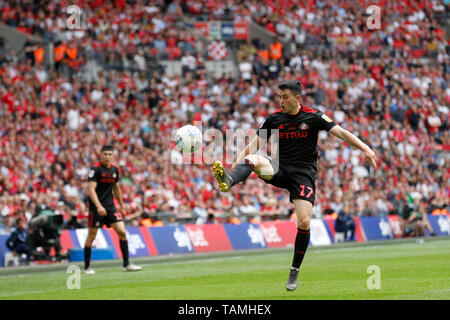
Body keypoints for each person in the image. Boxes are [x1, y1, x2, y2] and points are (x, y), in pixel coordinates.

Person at [213, 80, 377, 291]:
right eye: (279, 97)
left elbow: (341, 132)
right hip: (280, 170)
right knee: (254, 158)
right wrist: (235, 166)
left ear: (297, 98)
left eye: (285, 97)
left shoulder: (313, 116)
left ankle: (294, 270)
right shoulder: (274, 119)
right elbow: (255, 143)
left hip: (303, 175)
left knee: (304, 221)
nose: (281, 101)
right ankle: (228, 181)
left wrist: (365, 148)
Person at [84, 144, 141, 274]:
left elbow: (116, 189)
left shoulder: (115, 170)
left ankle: (126, 264)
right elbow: (90, 189)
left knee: (122, 232)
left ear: (113, 156)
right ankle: (87, 267)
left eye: (110, 154)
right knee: (91, 236)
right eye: (105, 154)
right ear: (100, 155)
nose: (108, 157)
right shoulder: (95, 170)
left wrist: (122, 206)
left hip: (110, 207)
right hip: (96, 208)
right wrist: (98, 206)